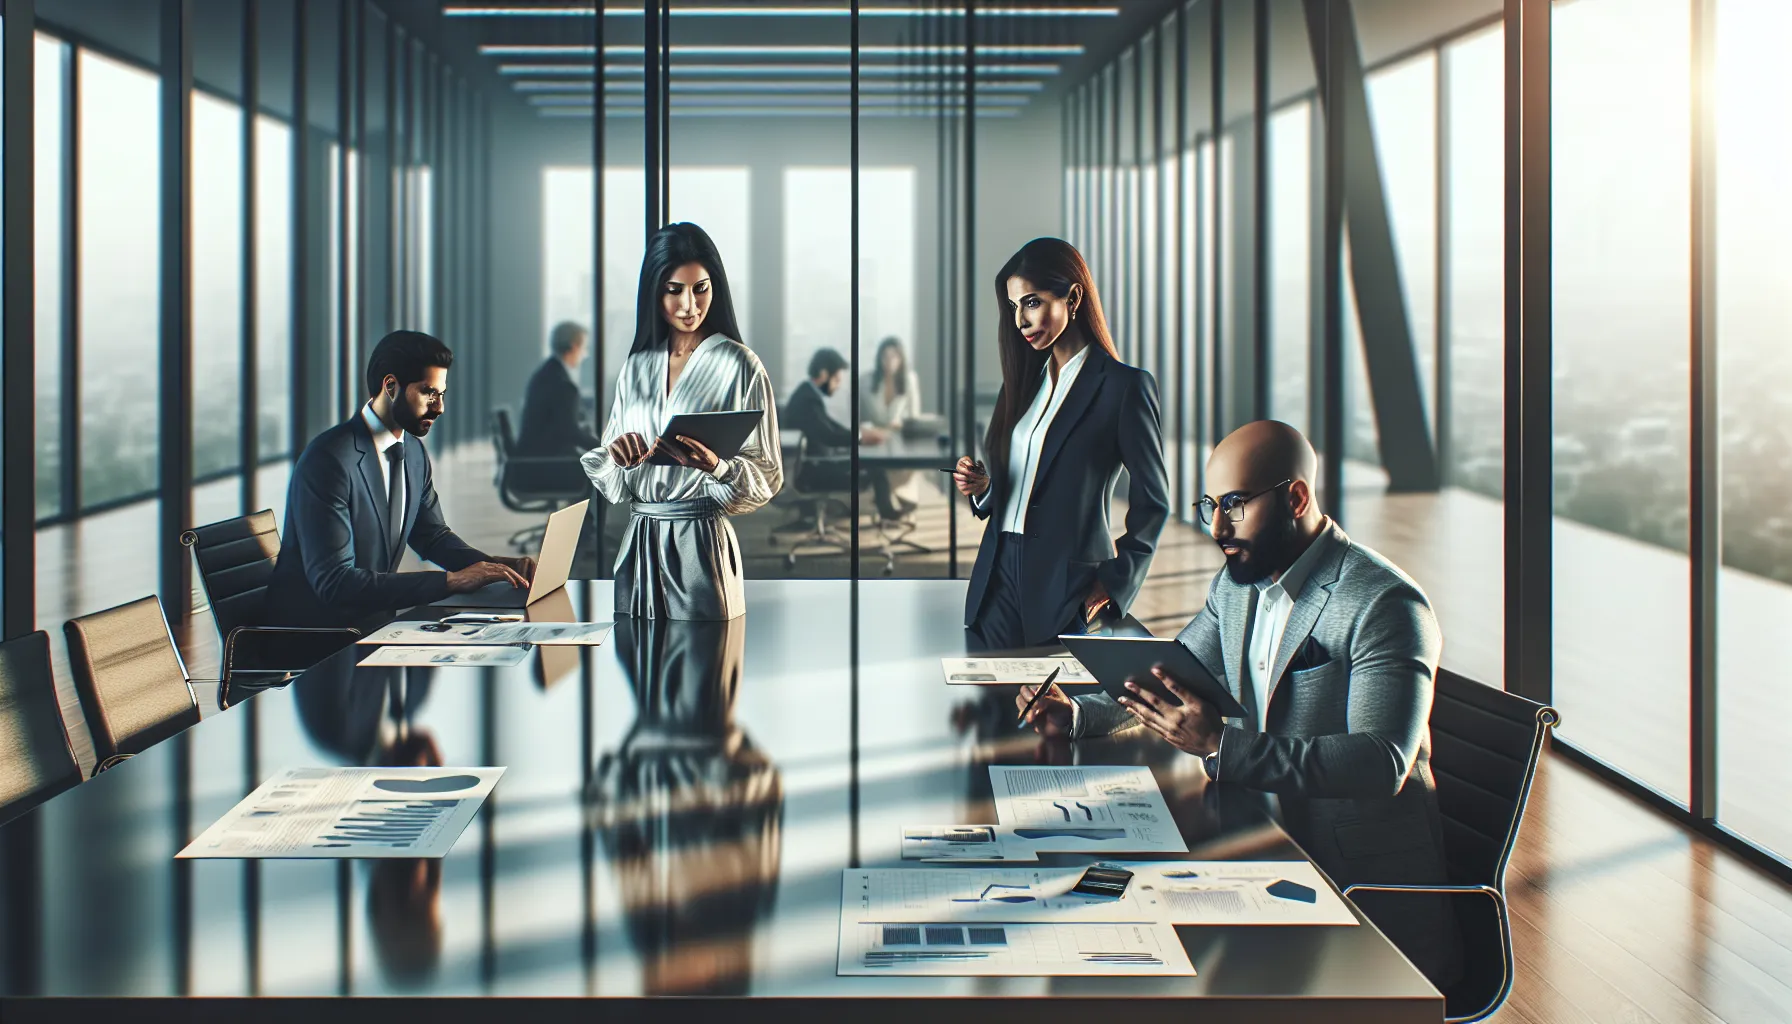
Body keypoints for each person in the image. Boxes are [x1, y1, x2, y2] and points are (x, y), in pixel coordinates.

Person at [1017, 419, 1463, 990]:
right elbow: (1172, 673)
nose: (1218, 527)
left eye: (1235, 504)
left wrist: (1222, 747)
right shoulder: (1238, 584)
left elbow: (1380, 763)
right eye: (1211, 505)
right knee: (1087, 936)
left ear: (1296, 497)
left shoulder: (1384, 603)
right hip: (1251, 848)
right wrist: (1077, 715)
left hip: (1352, 891)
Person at [951, 237, 1168, 650]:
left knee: (1056, 709)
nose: (1020, 320)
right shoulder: (1021, 386)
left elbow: (1153, 502)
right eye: (1015, 307)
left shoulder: (1123, 387)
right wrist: (985, 490)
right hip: (997, 576)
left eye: (1032, 302)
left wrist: (1115, 582)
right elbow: (1027, 482)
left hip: (1066, 583)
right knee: (992, 702)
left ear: (1072, 297)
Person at [266, 330, 536, 630]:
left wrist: (497, 568)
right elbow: (335, 583)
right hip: (314, 639)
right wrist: (450, 581)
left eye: (442, 395)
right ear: (391, 386)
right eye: (428, 393)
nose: (439, 407)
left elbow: (432, 537)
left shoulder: (413, 452)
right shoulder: (328, 460)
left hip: (374, 627)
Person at [582, 222, 782, 620]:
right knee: (638, 663)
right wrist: (616, 457)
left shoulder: (740, 365)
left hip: (701, 545)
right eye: (674, 290)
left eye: (700, 289)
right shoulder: (637, 366)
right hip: (639, 541)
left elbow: (768, 473)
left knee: (706, 667)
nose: (689, 305)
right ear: (654, 290)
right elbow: (613, 481)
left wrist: (717, 467)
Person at [783, 347, 903, 523]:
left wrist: (861, 434)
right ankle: (887, 513)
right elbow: (829, 435)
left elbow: (831, 427)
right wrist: (861, 437)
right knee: (875, 467)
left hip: (812, 464)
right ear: (824, 374)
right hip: (814, 470)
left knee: (865, 459)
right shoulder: (807, 400)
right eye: (837, 379)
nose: (838, 385)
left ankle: (881, 510)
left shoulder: (807, 394)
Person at [513, 320, 603, 493]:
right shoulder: (563, 384)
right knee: (604, 474)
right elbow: (570, 432)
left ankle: (584, 519)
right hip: (543, 468)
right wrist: (605, 449)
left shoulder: (547, 374)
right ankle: (588, 520)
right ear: (574, 346)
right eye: (584, 348)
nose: (585, 354)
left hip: (531, 464)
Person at [864, 336, 922, 515]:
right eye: (885, 357)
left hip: (899, 435)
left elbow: (914, 415)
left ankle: (888, 495)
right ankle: (887, 498)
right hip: (875, 436)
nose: (889, 361)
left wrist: (901, 423)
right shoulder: (867, 380)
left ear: (901, 358)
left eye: (894, 356)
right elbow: (859, 415)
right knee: (876, 462)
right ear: (879, 359)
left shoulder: (910, 379)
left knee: (909, 461)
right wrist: (869, 430)